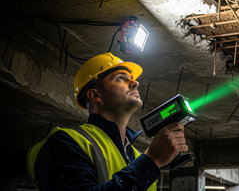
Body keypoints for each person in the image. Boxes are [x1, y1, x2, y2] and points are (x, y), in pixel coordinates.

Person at [27, 52, 188, 190]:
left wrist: (149, 162)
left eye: (132, 78)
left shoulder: (138, 157)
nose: (135, 83)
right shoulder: (66, 142)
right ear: (95, 95)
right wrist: (151, 161)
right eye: (121, 78)